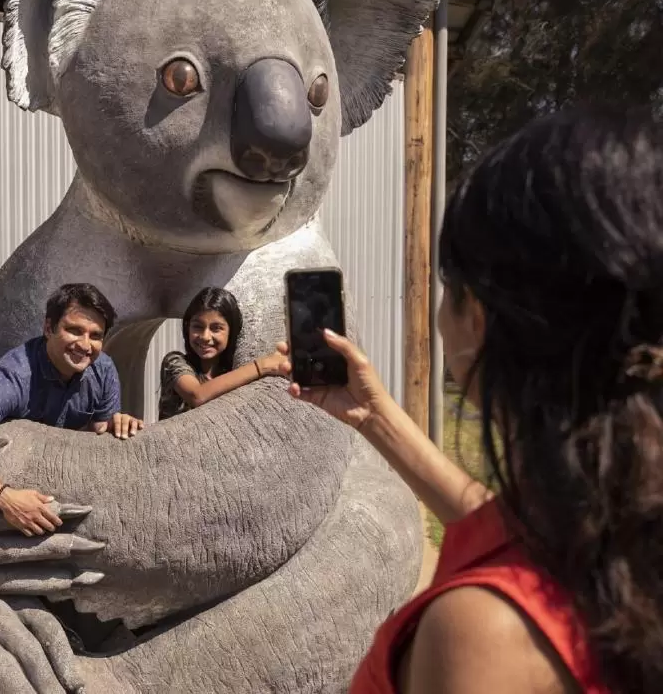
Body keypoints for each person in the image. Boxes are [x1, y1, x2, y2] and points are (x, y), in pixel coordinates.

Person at [281, 107, 662, 693]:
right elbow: (497, 520)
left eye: (448, 288)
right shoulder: (617, 520)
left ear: (477, 317)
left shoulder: (483, 634)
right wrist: (374, 414)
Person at [0, 283, 144, 537]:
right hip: (7, 501)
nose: (85, 345)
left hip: (57, 494)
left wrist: (117, 423)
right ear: (48, 328)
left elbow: (99, 428)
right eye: (74, 330)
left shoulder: (103, 370)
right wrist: (6, 499)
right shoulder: (14, 377)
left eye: (95, 335)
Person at [158, 286, 288, 421]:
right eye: (198, 326)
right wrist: (262, 366)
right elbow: (197, 396)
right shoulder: (174, 362)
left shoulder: (234, 370)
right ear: (187, 327)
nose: (205, 336)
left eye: (216, 328)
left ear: (231, 332)